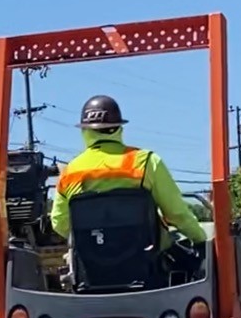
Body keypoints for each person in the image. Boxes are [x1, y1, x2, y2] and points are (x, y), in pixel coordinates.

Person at [49, 94, 207, 254]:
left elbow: (60, 222)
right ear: (119, 128)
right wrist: (201, 240)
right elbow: (177, 214)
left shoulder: (71, 171)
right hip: (147, 264)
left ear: (85, 130)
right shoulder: (146, 162)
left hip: (92, 269)